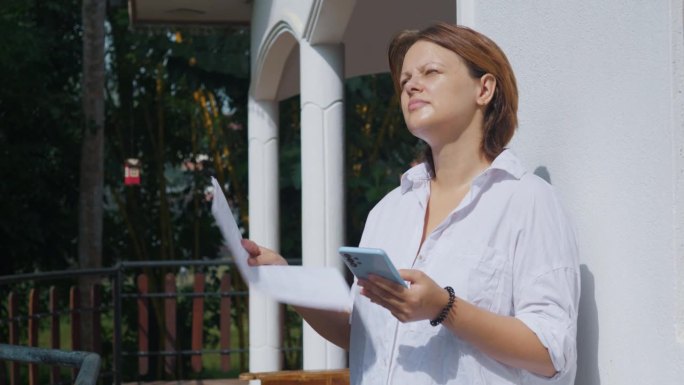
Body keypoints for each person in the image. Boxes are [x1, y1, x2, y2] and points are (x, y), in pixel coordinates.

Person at [241, 22, 580, 385]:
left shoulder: (527, 201)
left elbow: (551, 352)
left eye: (430, 72)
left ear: (484, 89)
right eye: (404, 82)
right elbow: (365, 337)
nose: (411, 86)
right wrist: (286, 280)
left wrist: (444, 308)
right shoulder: (389, 209)